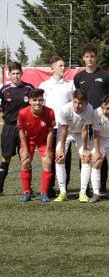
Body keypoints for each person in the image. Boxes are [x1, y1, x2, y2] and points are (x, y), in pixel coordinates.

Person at [74, 44, 109, 195]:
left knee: (100, 152)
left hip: (100, 120)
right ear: (83, 58)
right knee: (84, 151)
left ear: (96, 58)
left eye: (92, 56)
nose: (90, 59)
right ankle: (86, 186)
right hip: (84, 119)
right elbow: (78, 97)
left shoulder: (105, 76)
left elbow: (108, 94)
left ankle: (101, 185)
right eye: (87, 56)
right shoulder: (79, 77)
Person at [40, 55, 75, 195]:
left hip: (65, 128)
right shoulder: (44, 85)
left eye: (64, 65)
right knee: (49, 157)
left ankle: (63, 187)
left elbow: (74, 104)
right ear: (52, 68)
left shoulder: (70, 84)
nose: (63, 68)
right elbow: (40, 106)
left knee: (64, 158)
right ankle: (49, 187)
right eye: (60, 65)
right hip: (49, 129)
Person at [0, 62, 34, 196]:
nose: (15, 76)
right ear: (9, 75)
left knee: (25, 158)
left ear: (21, 74)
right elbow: (1, 110)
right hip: (9, 128)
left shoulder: (29, 88)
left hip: (25, 129)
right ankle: (0, 188)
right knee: (5, 158)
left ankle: (27, 189)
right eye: (13, 74)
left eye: (18, 73)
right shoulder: (4, 90)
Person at [17, 89, 55, 202]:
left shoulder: (50, 112)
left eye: (40, 100)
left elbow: (50, 131)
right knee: (25, 160)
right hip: (28, 141)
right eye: (34, 100)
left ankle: (44, 192)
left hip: (43, 141)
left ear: (43, 100)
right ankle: (27, 191)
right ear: (29, 101)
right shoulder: (23, 113)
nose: (37, 103)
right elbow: (21, 132)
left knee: (47, 161)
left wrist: (48, 149)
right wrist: (25, 149)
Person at [55, 89, 93, 202]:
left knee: (86, 157)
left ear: (85, 102)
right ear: (72, 100)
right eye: (75, 102)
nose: (77, 105)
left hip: (80, 133)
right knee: (59, 157)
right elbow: (64, 130)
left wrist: (85, 148)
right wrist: (61, 148)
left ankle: (83, 192)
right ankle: (62, 192)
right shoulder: (65, 109)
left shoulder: (89, 109)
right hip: (66, 133)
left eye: (80, 103)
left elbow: (85, 129)